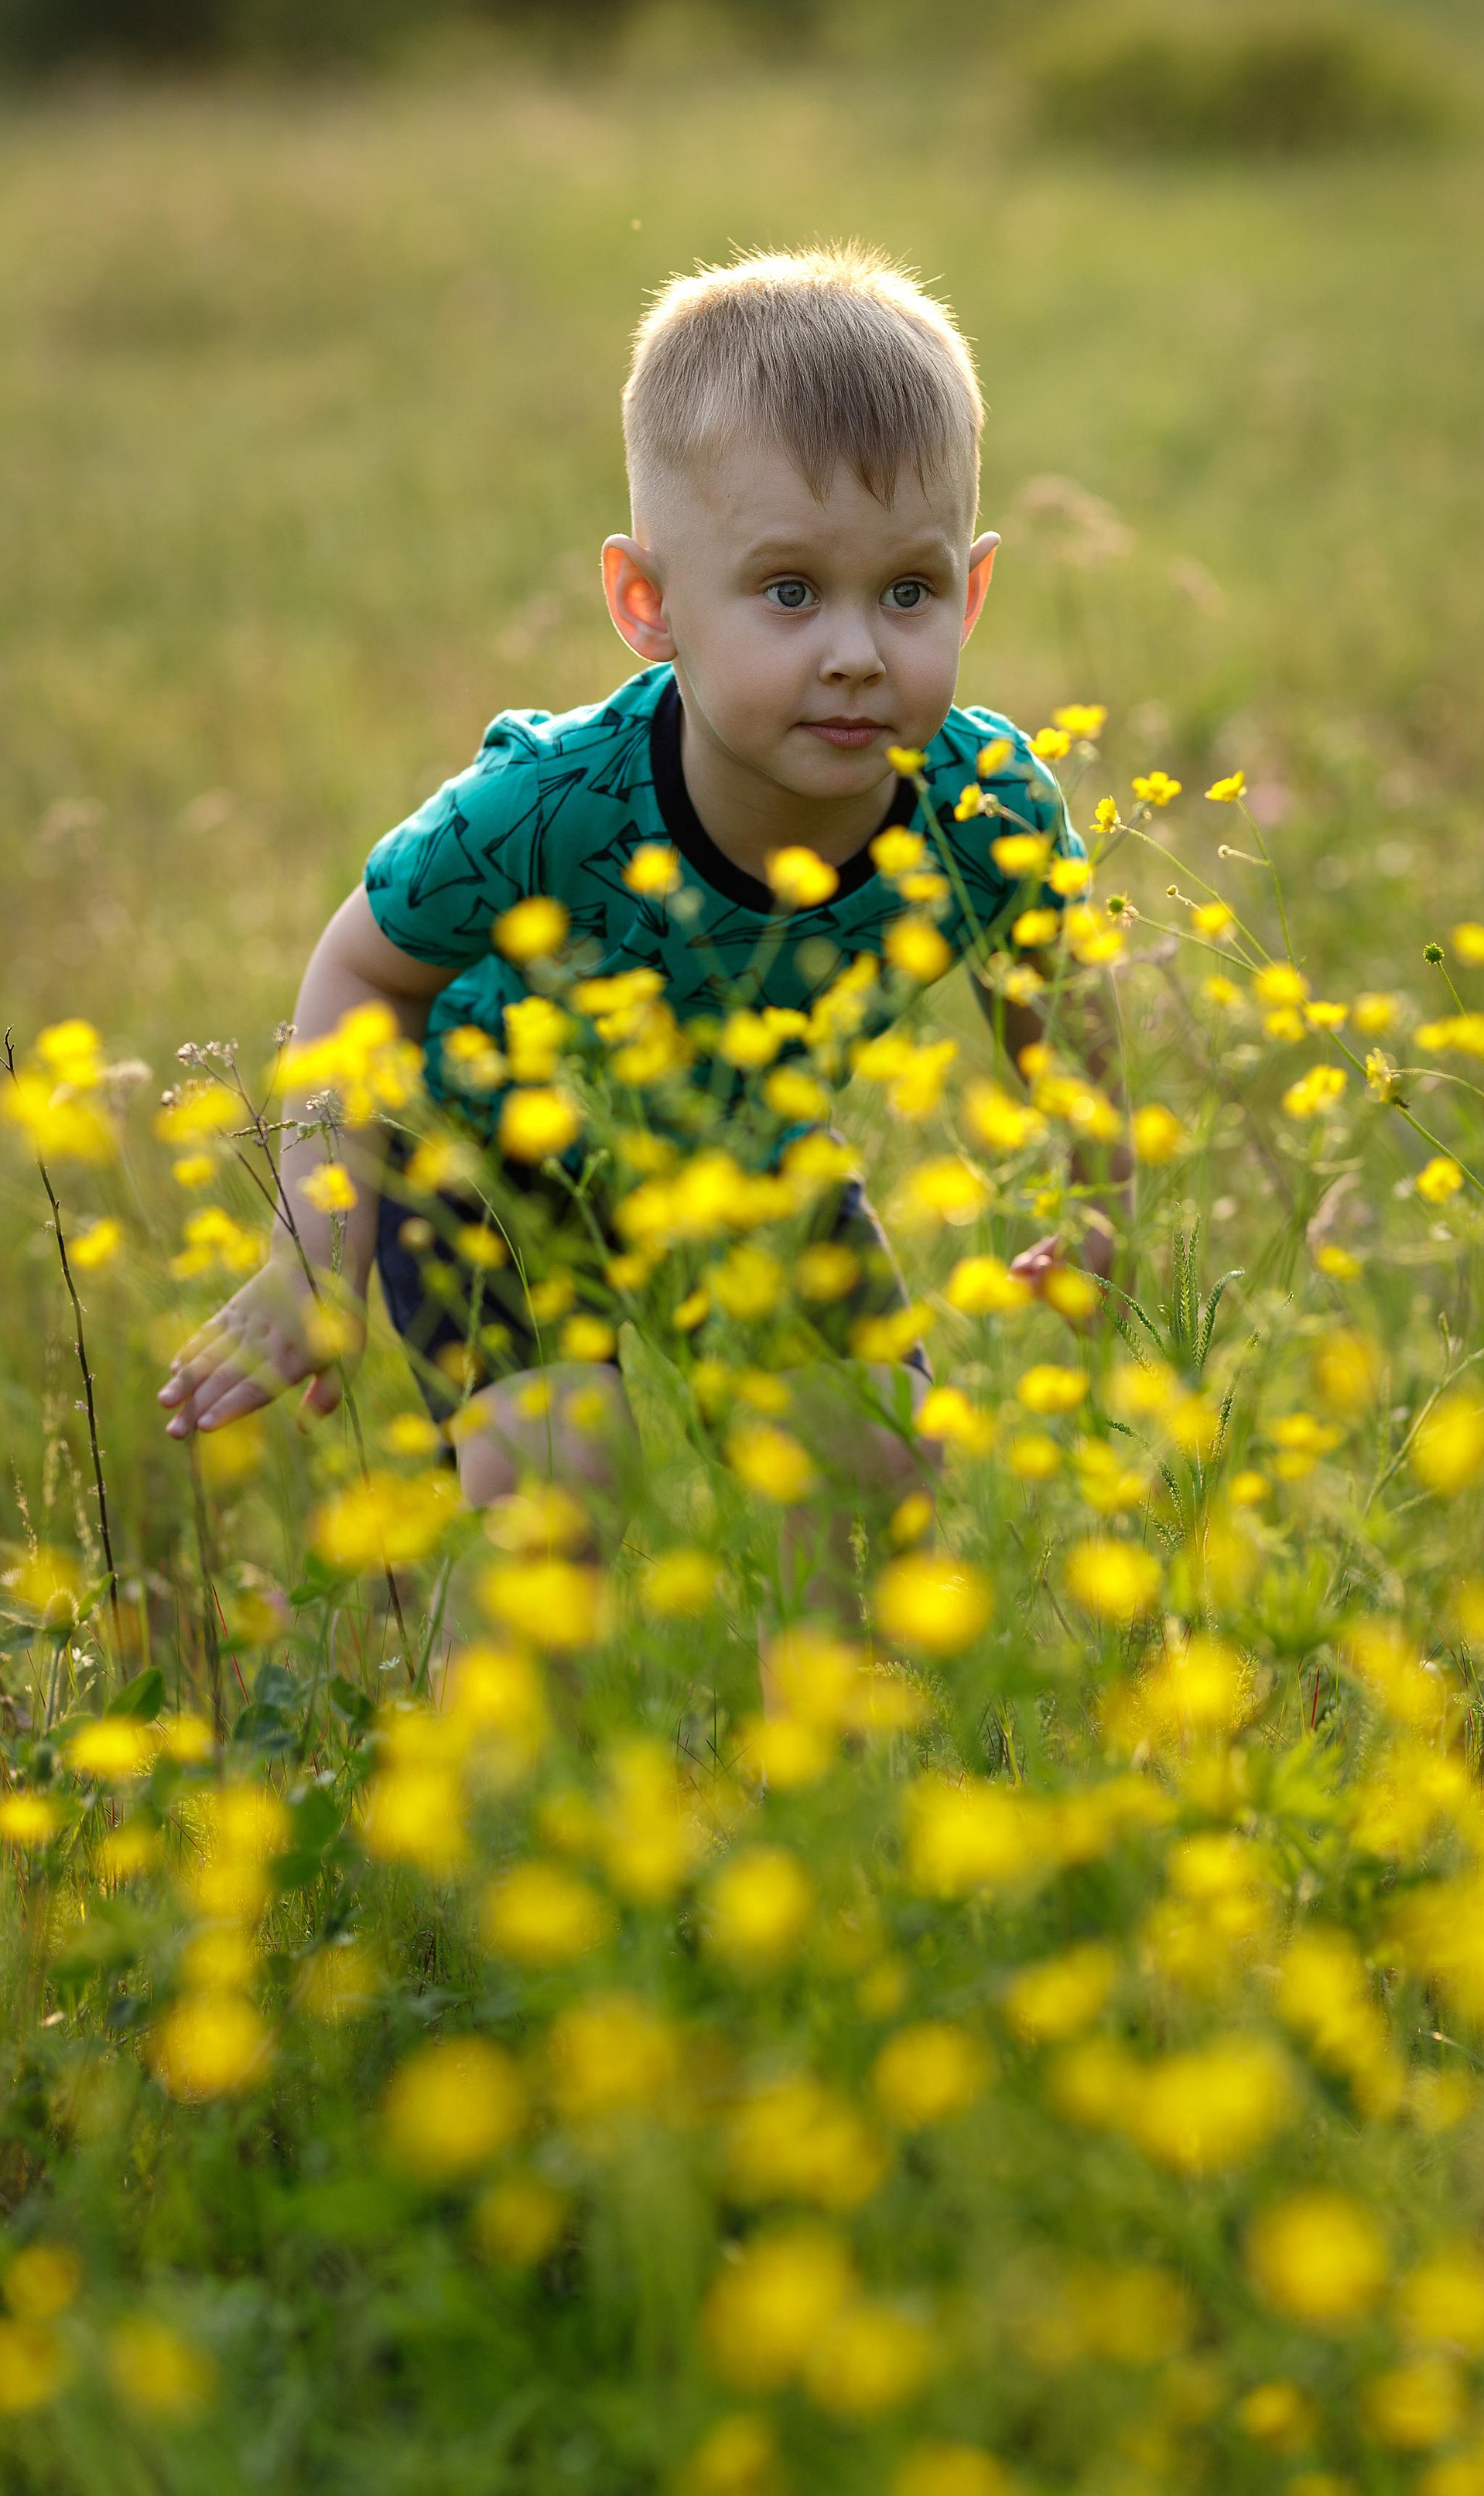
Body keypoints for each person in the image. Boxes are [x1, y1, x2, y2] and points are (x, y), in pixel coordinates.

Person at [156, 244, 1129, 1547]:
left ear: (975, 587)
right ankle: (504, 1685)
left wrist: (1097, 1196)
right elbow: (363, 970)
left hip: (748, 1158)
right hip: (494, 1166)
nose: (855, 652)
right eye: (789, 591)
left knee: (872, 1464)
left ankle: (821, 1691)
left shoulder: (985, 805)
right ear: (648, 603)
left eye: (910, 591)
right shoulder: (549, 804)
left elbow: (1059, 984)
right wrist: (311, 1255)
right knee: (559, 1485)